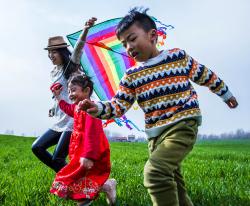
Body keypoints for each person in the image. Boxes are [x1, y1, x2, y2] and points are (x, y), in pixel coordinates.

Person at [77, 9, 238, 206]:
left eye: (132, 38)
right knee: (175, 186)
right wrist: (97, 108)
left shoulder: (177, 57)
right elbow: (118, 106)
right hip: (155, 136)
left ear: (153, 36)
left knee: (155, 173)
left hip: (182, 125)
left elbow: (205, 75)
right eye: (124, 44)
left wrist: (225, 94)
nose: (128, 47)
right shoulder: (131, 76)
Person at [31, 17, 95, 172]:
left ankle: (75, 184)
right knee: (37, 147)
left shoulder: (72, 67)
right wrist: (54, 107)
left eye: (54, 52)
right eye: (49, 53)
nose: (51, 56)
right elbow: (59, 94)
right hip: (60, 118)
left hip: (73, 119)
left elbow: (78, 48)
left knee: (58, 158)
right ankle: (71, 180)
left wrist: (85, 29)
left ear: (62, 52)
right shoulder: (54, 72)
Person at [50, 74, 116, 206]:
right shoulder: (77, 107)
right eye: (69, 91)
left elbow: (93, 134)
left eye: (73, 90)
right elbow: (68, 109)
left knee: (83, 180)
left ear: (86, 91)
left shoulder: (92, 108)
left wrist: (89, 155)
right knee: (82, 178)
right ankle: (108, 186)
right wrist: (58, 97)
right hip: (79, 152)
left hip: (91, 153)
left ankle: (84, 200)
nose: (70, 94)